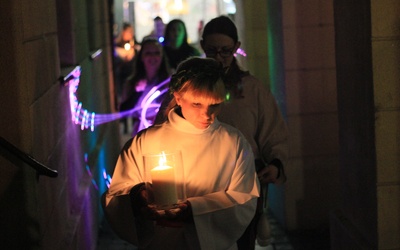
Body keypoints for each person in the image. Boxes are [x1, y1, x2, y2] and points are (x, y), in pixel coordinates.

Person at [155, 15, 288, 249]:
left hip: (244, 181)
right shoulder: (185, 88)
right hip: (197, 180)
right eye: (212, 50)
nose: (218, 58)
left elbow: (273, 131)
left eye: (225, 51)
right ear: (203, 46)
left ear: (236, 48)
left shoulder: (252, 89)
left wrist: (276, 163)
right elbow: (161, 129)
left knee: (243, 238)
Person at [103, 57, 260, 250]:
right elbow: (117, 194)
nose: (207, 114)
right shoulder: (145, 142)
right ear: (178, 97)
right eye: (197, 104)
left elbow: (244, 197)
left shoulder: (233, 142)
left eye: (215, 105)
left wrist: (193, 211)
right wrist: (138, 196)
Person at [119, 37, 171, 135]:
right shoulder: (131, 83)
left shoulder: (169, 83)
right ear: (141, 57)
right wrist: (137, 93)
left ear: (162, 57)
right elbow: (123, 112)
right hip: (141, 132)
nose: (153, 57)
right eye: (148, 53)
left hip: (164, 133)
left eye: (157, 53)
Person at [114, 22, 139, 109]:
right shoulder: (116, 46)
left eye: (130, 31)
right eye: (127, 31)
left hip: (132, 74)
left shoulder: (135, 44)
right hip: (122, 75)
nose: (129, 34)